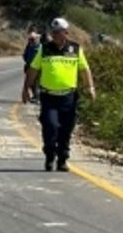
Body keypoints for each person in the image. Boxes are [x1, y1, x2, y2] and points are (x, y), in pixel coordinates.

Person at [22, 17, 96, 172]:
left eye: (58, 32)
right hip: (49, 97)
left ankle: (62, 159)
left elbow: (84, 69)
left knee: (66, 129)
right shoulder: (44, 49)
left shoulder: (75, 49)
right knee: (50, 126)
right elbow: (33, 69)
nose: (55, 35)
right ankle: (50, 155)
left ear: (66, 33)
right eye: (53, 32)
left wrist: (90, 87)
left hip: (68, 97)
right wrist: (26, 89)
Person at [21, 29, 42, 103]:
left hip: (37, 68)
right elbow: (25, 55)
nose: (31, 40)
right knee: (31, 83)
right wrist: (26, 61)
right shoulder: (29, 46)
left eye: (32, 39)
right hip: (29, 66)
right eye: (30, 39)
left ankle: (37, 97)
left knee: (36, 83)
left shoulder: (40, 47)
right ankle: (35, 96)